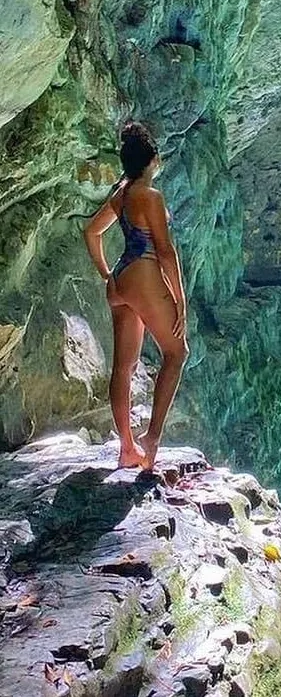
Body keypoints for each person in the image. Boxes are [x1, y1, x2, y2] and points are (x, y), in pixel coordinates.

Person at [83, 121, 189, 472]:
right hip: (144, 275)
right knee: (176, 353)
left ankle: (127, 447)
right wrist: (180, 302)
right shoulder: (150, 195)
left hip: (120, 280)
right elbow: (165, 252)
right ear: (153, 160)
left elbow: (91, 233)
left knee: (123, 368)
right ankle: (153, 436)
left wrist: (105, 274)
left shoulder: (121, 193)